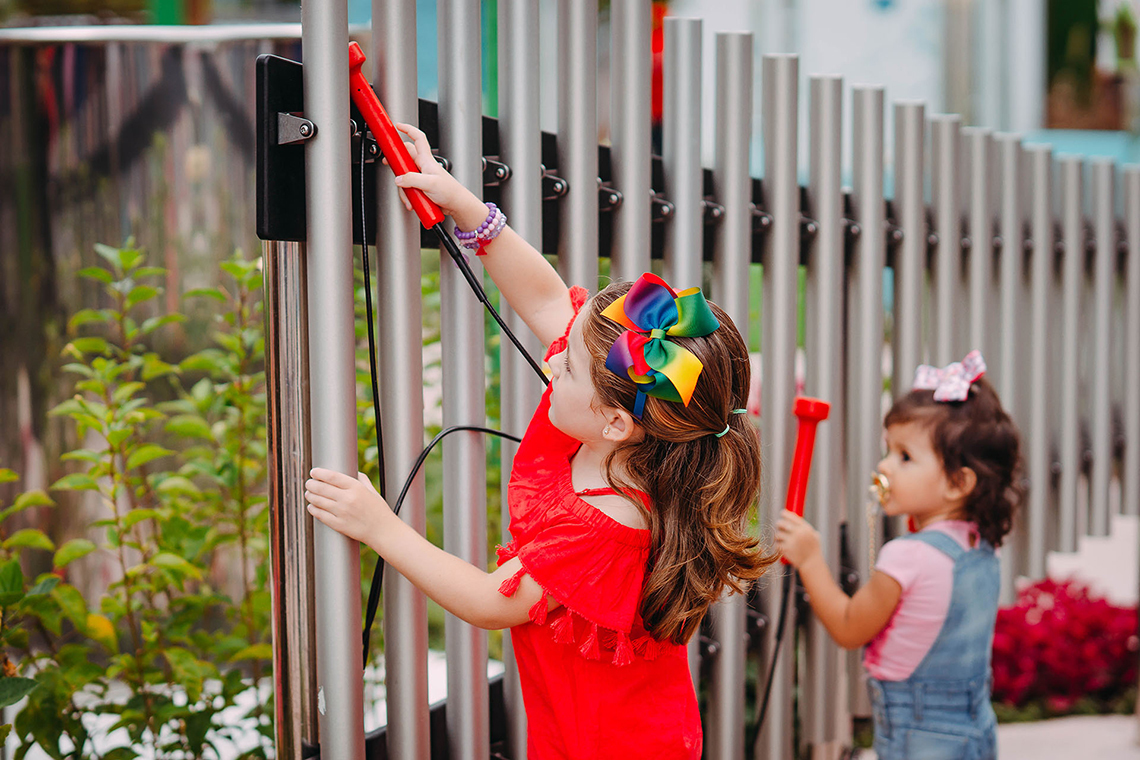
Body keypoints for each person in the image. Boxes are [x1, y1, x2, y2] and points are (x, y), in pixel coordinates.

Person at [304, 124, 777, 759]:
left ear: (615, 423)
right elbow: (550, 300)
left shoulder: (606, 526)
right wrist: (467, 208)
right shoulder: (622, 427)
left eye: (569, 367)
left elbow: (488, 601)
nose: (552, 362)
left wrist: (379, 527)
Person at [777, 350, 1021, 760]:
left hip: (917, 736)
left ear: (958, 483)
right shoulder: (979, 541)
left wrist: (810, 559)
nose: (884, 466)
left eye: (904, 457)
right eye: (888, 449)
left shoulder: (908, 556)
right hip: (974, 728)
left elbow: (850, 627)